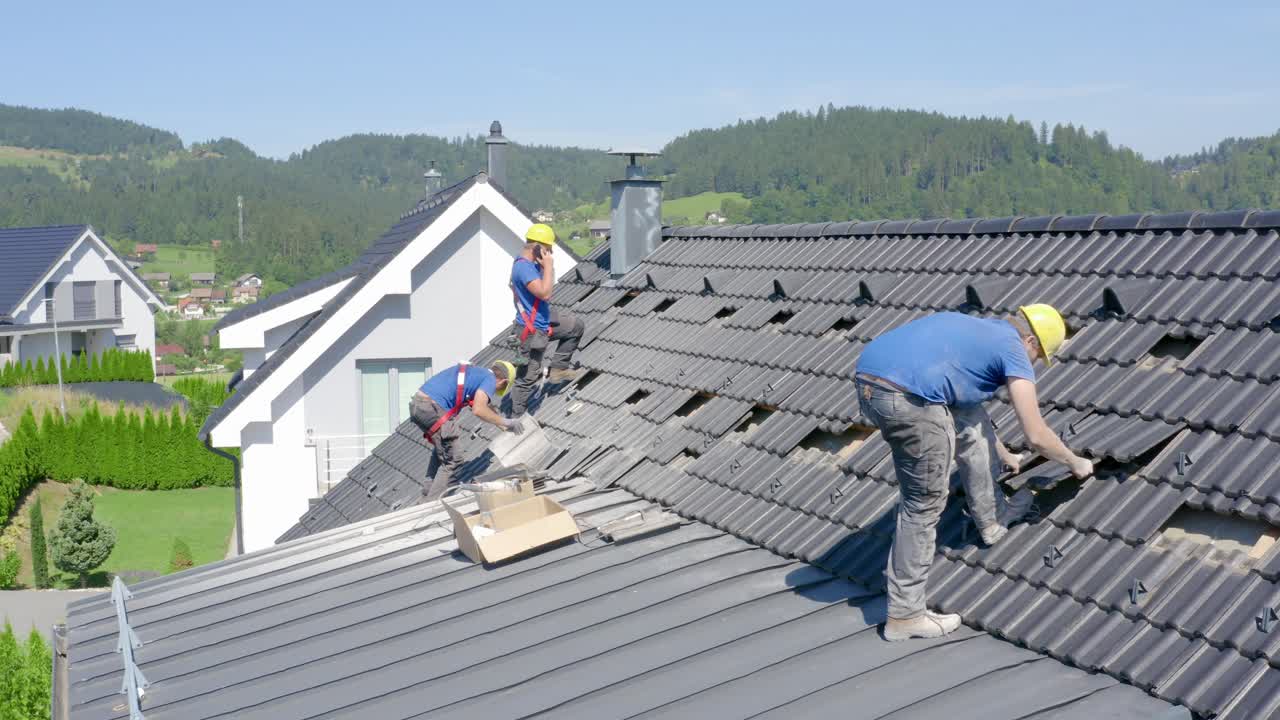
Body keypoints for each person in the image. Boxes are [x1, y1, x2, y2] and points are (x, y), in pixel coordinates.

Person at [854, 304, 1095, 642]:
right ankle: (905, 615)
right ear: (1029, 340)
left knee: (969, 416)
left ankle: (993, 520)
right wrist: (1074, 462)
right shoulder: (1013, 350)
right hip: (905, 397)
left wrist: (1003, 452)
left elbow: (970, 415)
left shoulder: (980, 332)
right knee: (923, 502)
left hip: (869, 379)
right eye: (1037, 356)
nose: (1033, 364)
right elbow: (1037, 435)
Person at [409, 361, 523, 500]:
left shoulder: (476, 373)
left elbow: (486, 408)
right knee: (455, 460)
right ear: (503, 381)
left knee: (444, 451)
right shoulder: (489, 380)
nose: (493, 392)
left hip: (419, 405)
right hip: (432, 408)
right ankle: (432, 506)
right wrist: (508, 421)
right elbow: (479, 409)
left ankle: (426, 496)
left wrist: (505, 427)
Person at [509, 223, 585, 416]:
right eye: (548, 249)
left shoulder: (530, 265)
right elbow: (545, 293)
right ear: (538, 248)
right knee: (528, 377)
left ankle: (558, 370)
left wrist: (545, 268)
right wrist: (549, 266)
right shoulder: (524, 268)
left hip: (541, 321)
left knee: (575, 326)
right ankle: (517, 417)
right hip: (531, 331)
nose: (550, 253)